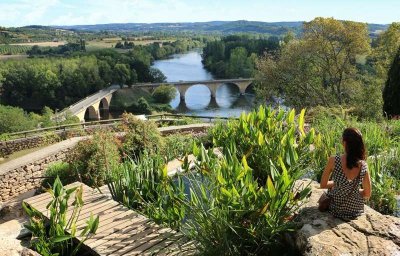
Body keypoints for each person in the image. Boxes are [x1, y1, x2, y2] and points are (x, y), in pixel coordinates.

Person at [320, 128, 372, 220]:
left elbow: (323, 185)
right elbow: (367, 193)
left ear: (344, 143)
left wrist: (338, 184)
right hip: (355, 210)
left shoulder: (333, 160)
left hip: (336, 209)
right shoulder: (363, 165)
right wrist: (354, 190)